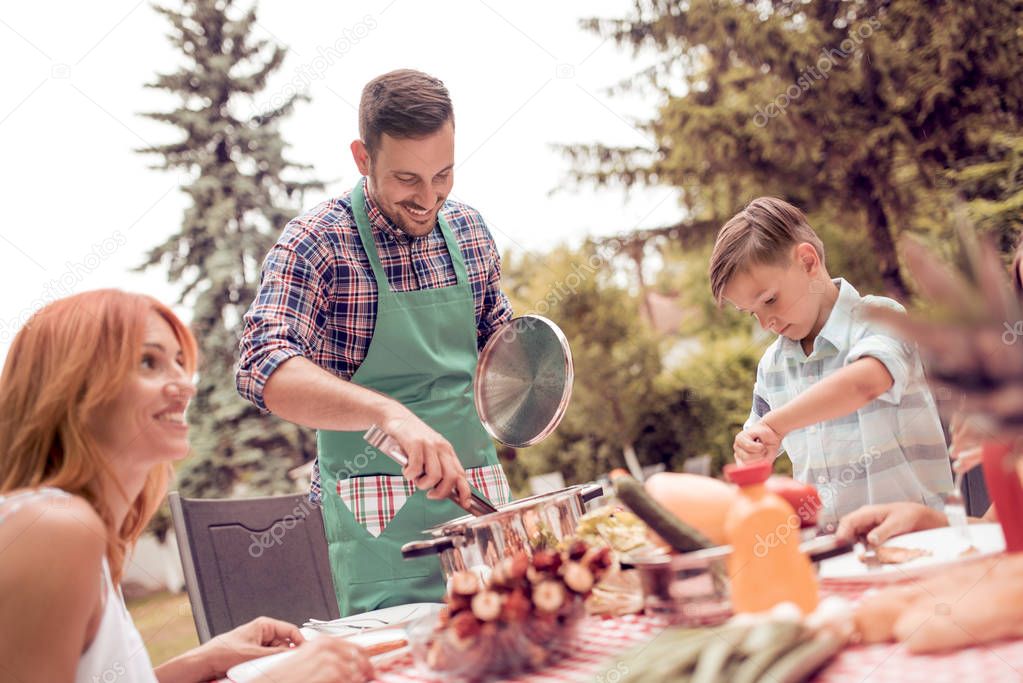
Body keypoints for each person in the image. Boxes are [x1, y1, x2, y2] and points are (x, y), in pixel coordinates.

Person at [236, 69, 514, 616]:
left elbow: (502, 353)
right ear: (363, 158)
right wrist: (390, 416)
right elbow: (263, 368)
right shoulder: (318, 242)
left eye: (444, 174)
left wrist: (532, 381)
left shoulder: (470, 232)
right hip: (374, 534)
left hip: (478, 511)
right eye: (407, 179)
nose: (429, 198)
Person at [0, 290, 373, 683]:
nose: (184, 385)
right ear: (70, 386)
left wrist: (205, 659)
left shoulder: (77, 529)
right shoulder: (52, 529)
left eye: (180, 363)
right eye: (148, 362)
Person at [709, 197, 953, 527]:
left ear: (808, 261)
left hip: (917, 537)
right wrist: (752, 450)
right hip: (835, 548)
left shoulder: (880, 318)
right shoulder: (773, 366)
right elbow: (760, 436)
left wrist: (777, 425)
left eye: (770, 300)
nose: (765, 321)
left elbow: (864, 383)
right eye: (753, 312)